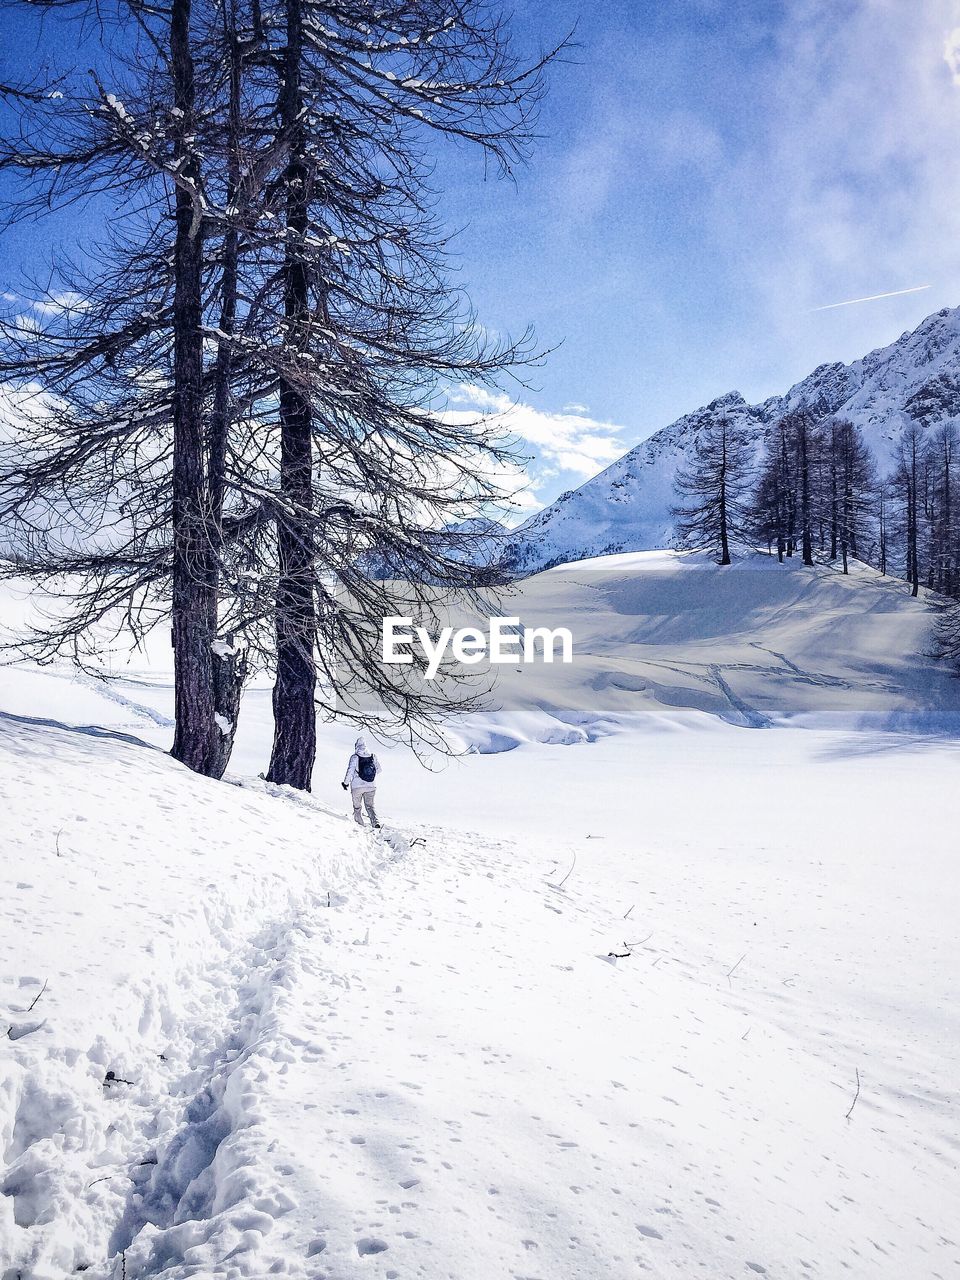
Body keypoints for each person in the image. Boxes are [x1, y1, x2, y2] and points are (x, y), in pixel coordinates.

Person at [342, 735, 381, 828]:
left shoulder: (354, 757)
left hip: (357, 786)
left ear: (356, 746)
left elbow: (350, 771)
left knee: (357, 806)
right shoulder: (373, 756)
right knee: (370, 806)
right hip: (371, 786)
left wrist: (345, 783)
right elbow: (379, 770)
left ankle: (359, 824)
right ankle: (375, 822)